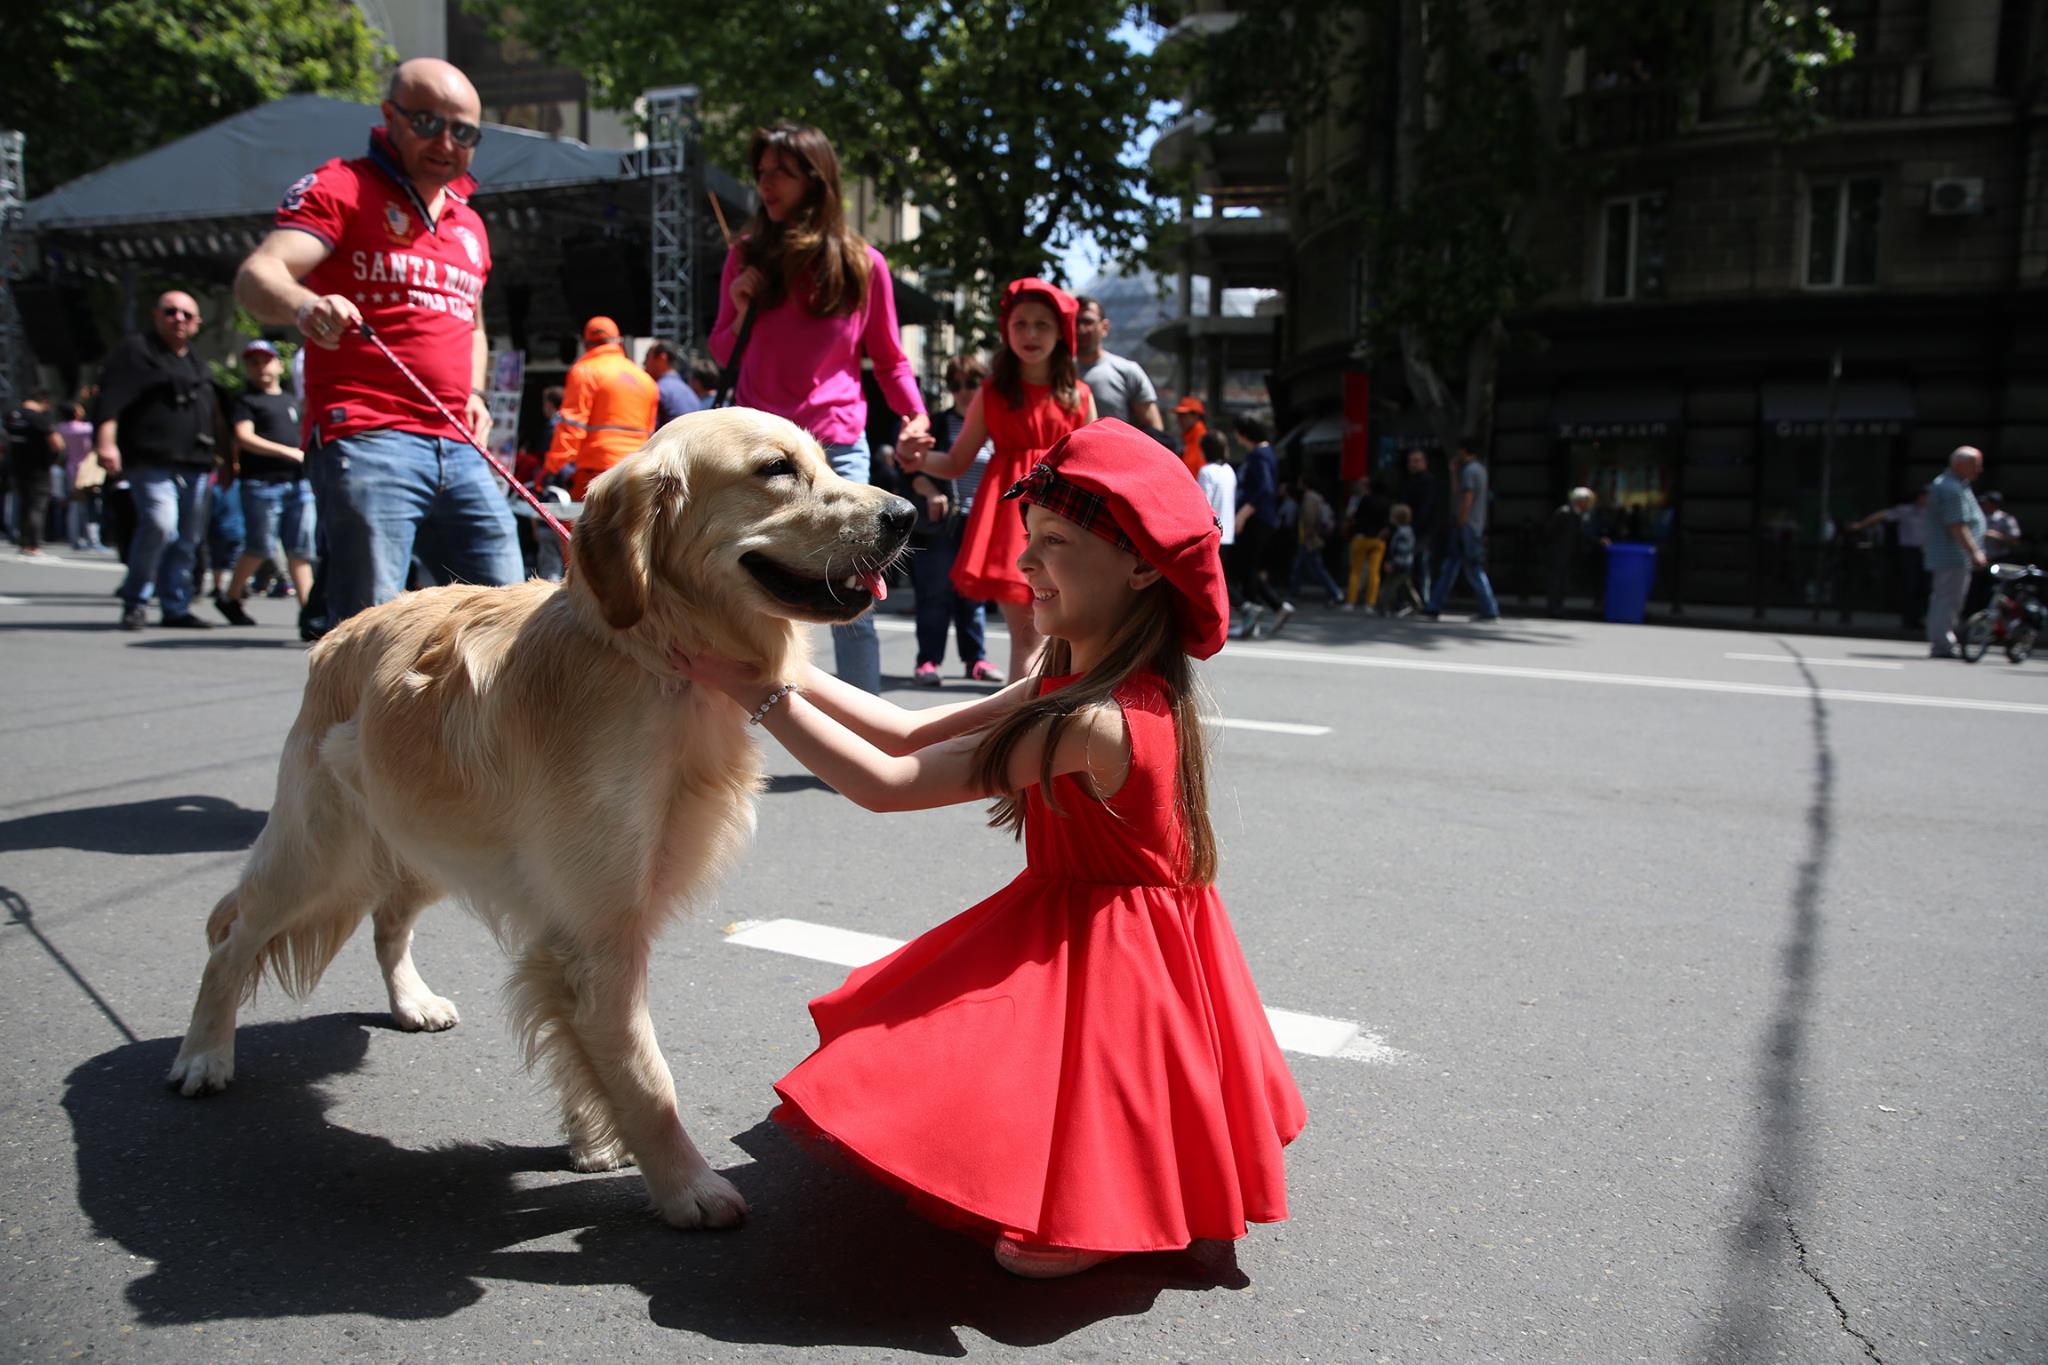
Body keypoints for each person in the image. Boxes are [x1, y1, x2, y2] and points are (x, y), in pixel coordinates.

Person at [670, 418, 1305, 1279]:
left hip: (1124, 959)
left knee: (1033, 1241)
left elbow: (887, 784)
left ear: (1143, 564)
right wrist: (760, 655)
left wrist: (755, 693)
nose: (1027, 564)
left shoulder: (1099, 719)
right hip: (1078, 917)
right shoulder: (1066, 671)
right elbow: (906, 728)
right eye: (1028, 540)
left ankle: (1111, 1200)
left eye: (1055, 544)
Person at [232, 57, 523, 629]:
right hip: (368, 435)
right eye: (427, 123)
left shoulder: (470, 222)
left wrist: (476, 394)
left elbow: (474, 324)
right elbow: (257, 276)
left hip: (458, 445)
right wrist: (305, 305)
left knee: (512, 616)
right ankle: (358, 723)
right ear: (390, 115)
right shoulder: (341, 187)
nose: (446, 142)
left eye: (463, 132)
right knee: (373, 629)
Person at [709, 121, 933, 694]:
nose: (765, 183)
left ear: (816, 177)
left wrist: (914, 414)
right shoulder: (745, 257)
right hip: (762, 459)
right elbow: (721, 353)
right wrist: (738, 308)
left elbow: (889, 358)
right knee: (754, 601)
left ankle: (869, 737)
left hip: (836, 446)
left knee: (855, 589)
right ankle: (739, 736)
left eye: (779, 171)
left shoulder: (863, 264)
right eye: (760, 172)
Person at [900, 278, 1093, 684]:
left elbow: (1097, 468)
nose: (1030, 333)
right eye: (1020, 323)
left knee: (1067, 638)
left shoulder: (1079, 395)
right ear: (1006, 330)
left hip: (1066, 521)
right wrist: (917, 458)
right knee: (1028, 637)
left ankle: (1039, 725)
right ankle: (1022, 731)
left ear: (1061, 333)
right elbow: (955, 461)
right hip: (1012, 524)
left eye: (1042, 324)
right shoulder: (992, 393)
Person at [94, 290, 221, 627]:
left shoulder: (196, 361)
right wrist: (106, 442)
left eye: (186, 314)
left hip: (196, 462)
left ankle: (176, 606)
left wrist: (228, 455)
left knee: (187, 539)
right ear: (156, 315)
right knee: (160, 525)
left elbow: (215, 411)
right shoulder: (136, 352)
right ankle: (135, 598)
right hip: (150, 460)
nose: (178, 318)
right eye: (170, 311)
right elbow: (110, 400)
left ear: (197, 324)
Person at [902, 354, 1001, 687]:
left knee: (973, 594)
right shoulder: (939, 423)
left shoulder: (995, 424)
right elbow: (911, 468)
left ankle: (976, 659)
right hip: (943, 522)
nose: (963, 391)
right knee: (936, 592)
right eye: (955, 384)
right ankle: (928, 660)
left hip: (981, 520)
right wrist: (931, 491)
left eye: (971, 383)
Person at [211, 339, 316, 624]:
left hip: (298, 483)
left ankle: (309, 613)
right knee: (260, 546)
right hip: (262, 484)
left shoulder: (292, 401)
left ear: (279, 365)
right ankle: (231, 596)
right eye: (253, 363)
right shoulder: (246, 401)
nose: (260, 367)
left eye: (265, 360)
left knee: (301, 549)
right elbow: (244, 437)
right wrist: (288, 452)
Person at [542, 316, 659, 501]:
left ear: (586, 343)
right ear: (618, 341)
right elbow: (651, 432)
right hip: (637, 472)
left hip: (597, 473)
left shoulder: (584, 371)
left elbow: (572, 426)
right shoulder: (646, 380)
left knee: (583, 529)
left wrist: (551, 468)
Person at [1923, 446, 1987, 659]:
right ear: (1959, 464)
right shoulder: (1951, 488)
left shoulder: (1955, 485)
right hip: (1952, 554)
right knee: (1948, 600)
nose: (1979, 470)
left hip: (1951, 554)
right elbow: (1956, 525)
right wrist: (1974, 551)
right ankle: (1942, 643)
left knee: (1947, 599)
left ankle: (1943, 641)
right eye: (1975, 465)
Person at [1423, 444, 1501, 622]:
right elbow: (1458, 492)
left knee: (1470, 568)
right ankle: (1434, 605)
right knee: (1452, 566)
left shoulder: (1470, 471)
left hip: (1467, 526)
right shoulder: (1478, 470)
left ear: (1465, 451)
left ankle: (1489, 608)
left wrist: (1461, 520)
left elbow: (1466, 497)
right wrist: (1453, 472)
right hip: (1471, 525)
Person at [1231, 414, 1293, 637]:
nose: (1237, 439)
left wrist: (1243, 515)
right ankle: (1275, 607)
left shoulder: (1259, 455)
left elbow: (1265, 488)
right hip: (1262, 519)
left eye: (1238, 433)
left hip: (1257, 520)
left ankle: (1253, 617)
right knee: (1249, 567)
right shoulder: (1266, 453)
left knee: (1244, 568)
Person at [1073, 296, 1162, 433]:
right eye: (1075, 322)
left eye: (1088, 321)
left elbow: (1155, 432)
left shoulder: (1128, 372)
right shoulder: (1052, 373)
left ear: (1105, 327)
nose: (1080, 329)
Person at [1847, 487, 1930, 630]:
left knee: (1926, 587)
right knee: (1910, 586)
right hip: (1910, 552)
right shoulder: (1906, 510)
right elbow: (1882, 515)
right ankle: (1908, 619)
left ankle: (1919, 618)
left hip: (1928, 553)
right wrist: (1861, 525)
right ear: (1920, 497)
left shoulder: (1935, 513)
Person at [5, 387, 64, 556]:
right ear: (44, 401)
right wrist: (54, 459)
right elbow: (57, 443)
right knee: (37, 506)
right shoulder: (39, 418)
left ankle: (23, 543)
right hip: (38, 468)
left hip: (16, 466)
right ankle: (33, 544)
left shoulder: (11, 416)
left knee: (23, 504)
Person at [1545, 486, 1607, 617]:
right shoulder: (1564, 512)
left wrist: (1597, 541)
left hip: (1568, 553)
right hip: (1558, 553)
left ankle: (1558, 606)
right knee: (1556, 581)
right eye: (1586, 501)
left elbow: (1581, 534)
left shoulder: (1577, 514)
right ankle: (1554, 608)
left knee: (1563, 582)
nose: (1588, 505)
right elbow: (1550, 532)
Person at [1286, 478, 1344, 604]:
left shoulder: (1310, 498)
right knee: (1301, 568)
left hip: (1309, 539)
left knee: (1314, 569)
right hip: (1310, 538)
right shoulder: (1315, 497)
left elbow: (1310, 519)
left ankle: (1335, 592)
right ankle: (1293, 594)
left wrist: (1307, 535)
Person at [1342, 474, 1389, 612]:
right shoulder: (1386, 502)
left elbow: (1356, 517)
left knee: (1356, 571)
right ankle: (1370, 602)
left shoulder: (1365, 500)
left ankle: (1351, 601)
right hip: (1378, 540)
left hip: (1361, 538)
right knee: (1374, 572)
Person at [1399, 448, 1440, 601]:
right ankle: (1413, 599)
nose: (1413, 465)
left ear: (1424, 462)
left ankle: (1424, 599)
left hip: (1423, 530)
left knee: (1422, 565)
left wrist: (1415, 527)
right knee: (1411, 566)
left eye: (1417, 461)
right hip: (1411, 529)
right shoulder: (1409, 481)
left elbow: (1426, 508)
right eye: (1411, 461)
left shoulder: (1427, 482)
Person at [644, 341, 708, 426]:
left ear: (662, 358)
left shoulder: (658, 390)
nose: (644, 363)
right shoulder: (689, 391)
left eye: (648, 357)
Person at [1380, 503, 1423, 615]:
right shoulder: (1403, 531)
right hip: (1405, 563)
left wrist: (1393, 563)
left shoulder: (1403, 533)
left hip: (1400, 564)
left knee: (1390, 586)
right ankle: (1417, 605)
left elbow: (1402, 551)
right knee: (1406, 586)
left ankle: (1383, 606)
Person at [1174, 395, 1208, 478]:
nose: (1179, 419)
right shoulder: (1190, 438)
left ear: (1196, 416)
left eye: (1183, 415)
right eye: (1178, 415)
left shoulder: (1204, 439)